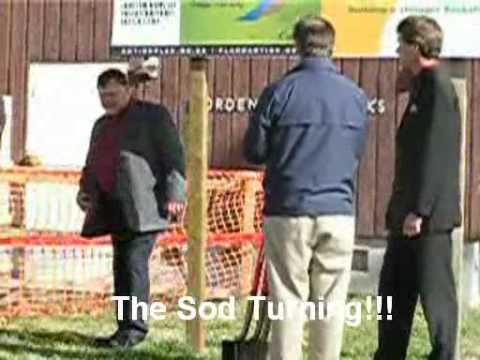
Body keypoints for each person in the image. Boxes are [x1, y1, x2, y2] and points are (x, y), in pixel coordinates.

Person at [243, 16, 370, 360]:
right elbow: (357, 149)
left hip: (288, 209)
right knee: (331, 301)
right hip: (338, 210)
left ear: (297, 47)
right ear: (332, 46)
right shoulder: (356, 96)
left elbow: (253, 152)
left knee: (287, 297)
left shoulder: (279, 92)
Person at [77, 68, 186, 348]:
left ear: (128, 90)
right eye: (103, 96)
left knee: (134, 265)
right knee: (121, 267)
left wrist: (176, 194)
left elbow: (174, 155)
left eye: (113, 94)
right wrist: (85, 191)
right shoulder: (101, 125)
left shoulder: (153, 116)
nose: (108, 101)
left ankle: (135, 329)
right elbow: (92, 163)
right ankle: (123, 328)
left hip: (146, 207)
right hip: (115, 207)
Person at [375, 16, 461, 360]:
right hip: (405, 217)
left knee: (436, 297)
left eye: (401, 44)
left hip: (427, 220)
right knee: (390, 292)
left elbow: (435, 154)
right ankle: (388, 352)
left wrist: (420, 210)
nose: (397, 51)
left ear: (416, 45)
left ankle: (444, 353)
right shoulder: (421, 86)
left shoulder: (438, 88)